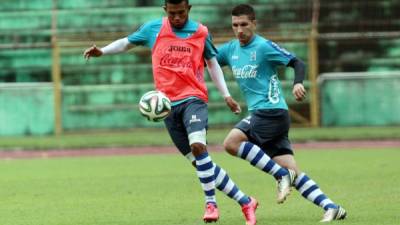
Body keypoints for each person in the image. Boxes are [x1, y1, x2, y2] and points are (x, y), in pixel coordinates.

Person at [82, 1, 300, 224]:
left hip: (193, 99)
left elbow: (213, 64)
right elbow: (126, 43)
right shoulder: (153, 29)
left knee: (198, 146)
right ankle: (245, 202)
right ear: (165, 10)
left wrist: (225, 95)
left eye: (181, 13)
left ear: (189, 9)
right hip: (167, 106)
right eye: (172, 13)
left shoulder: (200, 32)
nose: (177, 17)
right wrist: (103, 51)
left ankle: (211, 204)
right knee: (202, 164)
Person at [216, 4, 347, 223]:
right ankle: (332, 207)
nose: (239, 30)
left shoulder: (264, 46)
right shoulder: (230, 50)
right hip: (267, 115)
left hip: (270, 112)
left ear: (254, 24)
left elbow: (298, 62)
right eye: (235, 25)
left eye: (244, 24)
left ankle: (280, 175)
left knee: (231, 143)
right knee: (294, 171)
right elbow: (207, 60)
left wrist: (297, 83)